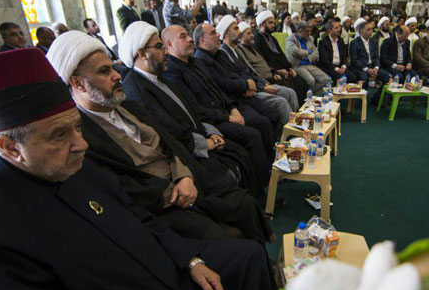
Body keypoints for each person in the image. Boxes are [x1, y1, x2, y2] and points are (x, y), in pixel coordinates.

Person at [0, 47, 275, 290]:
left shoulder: (69, 164)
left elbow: (138, 217)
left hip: (163, 271)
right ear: (9, 147)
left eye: (78, 127)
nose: (81, 144)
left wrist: (191, 261)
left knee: (247, 256)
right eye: (60, 135)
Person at [47, 30, 273, 243]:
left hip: (184, 175)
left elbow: (169, 142)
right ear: (77, 83)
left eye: (112, 68)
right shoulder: (82, 134)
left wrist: (184, 175)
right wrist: (172, 190)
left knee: (244, 202)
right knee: (227, 241)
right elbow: (118, 185)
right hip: (161, 203)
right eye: (104, 71)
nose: (117, 75)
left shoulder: (129, 107)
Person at [162, 25, 273, 187]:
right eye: (183, 36)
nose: (190, 39)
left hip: (226, 111)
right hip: (212, 121)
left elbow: (217, 90)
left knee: (262, 122)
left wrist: (233, 109)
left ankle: (270, 169)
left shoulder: (195, 62)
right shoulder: (172, 71)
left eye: (188, 35)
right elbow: (194, 108)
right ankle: (264, 186)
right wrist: (228, 117)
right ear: (170, 45)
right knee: (252, 135)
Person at [193, 22, 281, 149]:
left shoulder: (220, 53)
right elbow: (221, 84)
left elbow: (236, 72)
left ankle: (277, 148)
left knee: (274, 113)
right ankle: (272, 157)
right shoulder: (201, 60)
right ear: (203, 41)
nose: (218, 35)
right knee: (263, 123)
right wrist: (245, 85)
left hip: (244, 94)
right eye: (213, 33)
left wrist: (249, 84)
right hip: (234, 100)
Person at [212, 16, 293, 124]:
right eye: (236, 28)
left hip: (256, 85)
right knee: (281, 103)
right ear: (227, 32)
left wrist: (263, 83)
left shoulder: (236, 50)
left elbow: (250, 71)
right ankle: (290, 132)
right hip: (247, 92)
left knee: (289, 92)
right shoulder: (223, 53)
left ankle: (296, 127)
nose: (239, 32)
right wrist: (258, 87)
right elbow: (235, 77)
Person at [234, 21, 300, 111]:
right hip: (262, 82)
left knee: (292, 88)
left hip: (270, 78)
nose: (252, 35)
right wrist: (263, 85)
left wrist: (274, 73)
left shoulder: (252, 47)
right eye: (248, 34)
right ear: (240, 36)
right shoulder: (240, 50)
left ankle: (296, 116)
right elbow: (251, 70)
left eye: (251, 33)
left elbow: (264, 64)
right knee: (288, 94)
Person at [253, 11, 308, 101]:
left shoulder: (273, 38)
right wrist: (277, 71)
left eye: (274, 23)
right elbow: (262, 61)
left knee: (302, 83)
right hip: (273, 73)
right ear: (262, 24)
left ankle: (302, 109)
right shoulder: (257, 39)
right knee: (290, 88)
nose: (273, 25)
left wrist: (290, 68)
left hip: (284, 70)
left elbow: (282, 55)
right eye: (270, 23)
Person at [284, 20, 330, 95]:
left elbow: (316, 53)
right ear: (300, 31)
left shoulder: (310, 39)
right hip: (297, 66)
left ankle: (311, 95)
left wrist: (308, 58)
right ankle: (308, 96)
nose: (310, 33)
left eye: (310, 31)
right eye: (307, 31)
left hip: (309, 63)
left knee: (326, 79)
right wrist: (309, 51)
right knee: (311, 81)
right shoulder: (290, 39)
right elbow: (296, 52)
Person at [349, 19, 389, 85]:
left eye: (371, 29)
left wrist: (376, 68)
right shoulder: (355, 43)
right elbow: (355, 60)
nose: (371, 31)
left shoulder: (374, 41)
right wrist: (367, 69)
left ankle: (379, 92)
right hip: (361, 68)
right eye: (368, 30)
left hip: (372, 66)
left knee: (386, 75)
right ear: (361, 31)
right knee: (364, 77)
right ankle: (363, 91)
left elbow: (377, 57)